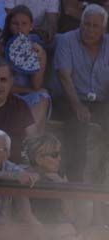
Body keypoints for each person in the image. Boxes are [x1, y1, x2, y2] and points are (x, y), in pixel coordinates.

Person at [53, 4, 109, 183]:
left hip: (102, 101)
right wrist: (77, 105)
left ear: (104, 28)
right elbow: (64, 77)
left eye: (95, 26)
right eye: (86, 24)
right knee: (77, 126)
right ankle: (75, 183)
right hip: (71, 99)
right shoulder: (66, 40)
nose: (89, 29)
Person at [3, 6, 51, 129]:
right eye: (15, 23)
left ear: (31, 26)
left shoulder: (37, 47)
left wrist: (38, 59)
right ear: (9, 25)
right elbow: (2, 85)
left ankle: (31, 141)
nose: (19, 28)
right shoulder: (1, 46)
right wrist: (30, 91)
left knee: (43, 97)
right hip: (6, 95)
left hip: (27, 96)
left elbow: (36, 85)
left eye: (24, 24)